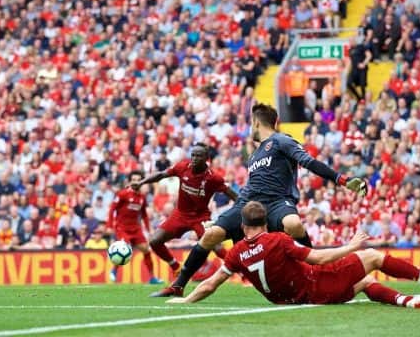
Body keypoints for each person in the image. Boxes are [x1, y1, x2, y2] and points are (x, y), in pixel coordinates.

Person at [152, 104, 367, 297]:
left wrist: (342, 179)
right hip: (247, 203)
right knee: (211, 235)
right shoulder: (254, 155)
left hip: (277, 202)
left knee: (293, 224)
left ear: (256, 122)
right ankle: (178, 285)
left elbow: (308, 162)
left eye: (250, 123)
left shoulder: (282, 140)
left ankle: (317, 273)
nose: (249, 129)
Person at [166, 201, 420, 307]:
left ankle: (408, 301)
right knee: (373, 256)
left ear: (243, 226)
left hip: (289, 299)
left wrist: (187, 299)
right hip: (316, 286)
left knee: (364, 283)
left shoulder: (236, 252)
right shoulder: (278, 239)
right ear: (266, 221)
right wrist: (351, 247)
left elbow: (211, 283)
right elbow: (318, 258)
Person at [130, 143, 238, 277]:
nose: (194, 158)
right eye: (193, 155)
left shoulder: (213, 178)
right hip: (180, 214)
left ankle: (242, 273)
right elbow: (162, 174)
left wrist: (239, 212)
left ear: (206, 158)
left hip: (200, 217)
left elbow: (233, 195)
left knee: (216, 247)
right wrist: (142, 182)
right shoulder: (182, 167)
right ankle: (175, 266)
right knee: (154, 241)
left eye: (198, 156)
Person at [108, 171, 163, 284]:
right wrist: (109, 225)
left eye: (138, 179)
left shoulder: (142, 197)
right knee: (124, 248)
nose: (136, 182)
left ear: (142, 182)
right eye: (133, 179)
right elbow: (112, 208)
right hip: (122, 227)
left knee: (146, 250)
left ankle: (152, 278)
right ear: (129, 181)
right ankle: (113, 271)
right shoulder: (122, 194)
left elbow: (144, 215)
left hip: (136, 228)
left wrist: (149, 230)